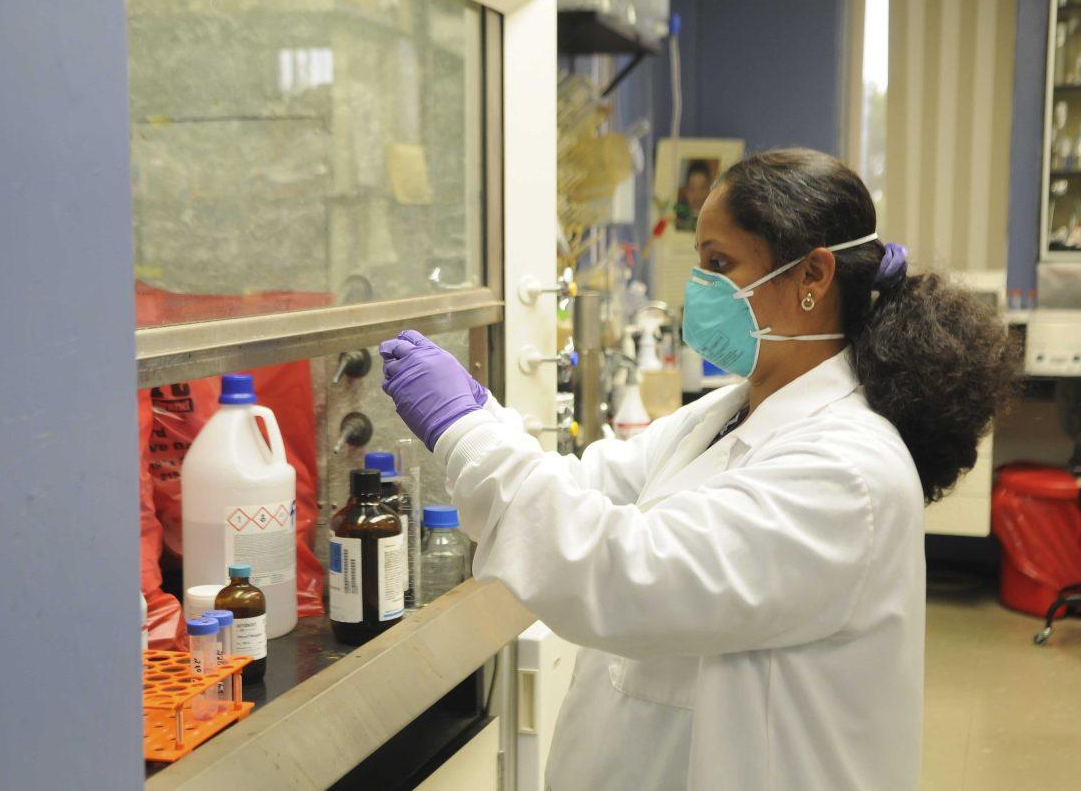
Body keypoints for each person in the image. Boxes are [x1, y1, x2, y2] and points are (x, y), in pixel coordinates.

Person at [380, 148, 1018, 790]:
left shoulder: (849, 472)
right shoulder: (732, 409)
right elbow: (593, 486)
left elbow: (628, 573)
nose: (699, 288)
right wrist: (480, 413)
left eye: (720, 264)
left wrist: (461, 433)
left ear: (813, 277)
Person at [674, 159, 713, 231]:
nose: (697, 195)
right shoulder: (677, 220)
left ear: (709, 190)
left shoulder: (714, 221)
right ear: (686, 190)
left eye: (702, 188)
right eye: (692, 189)